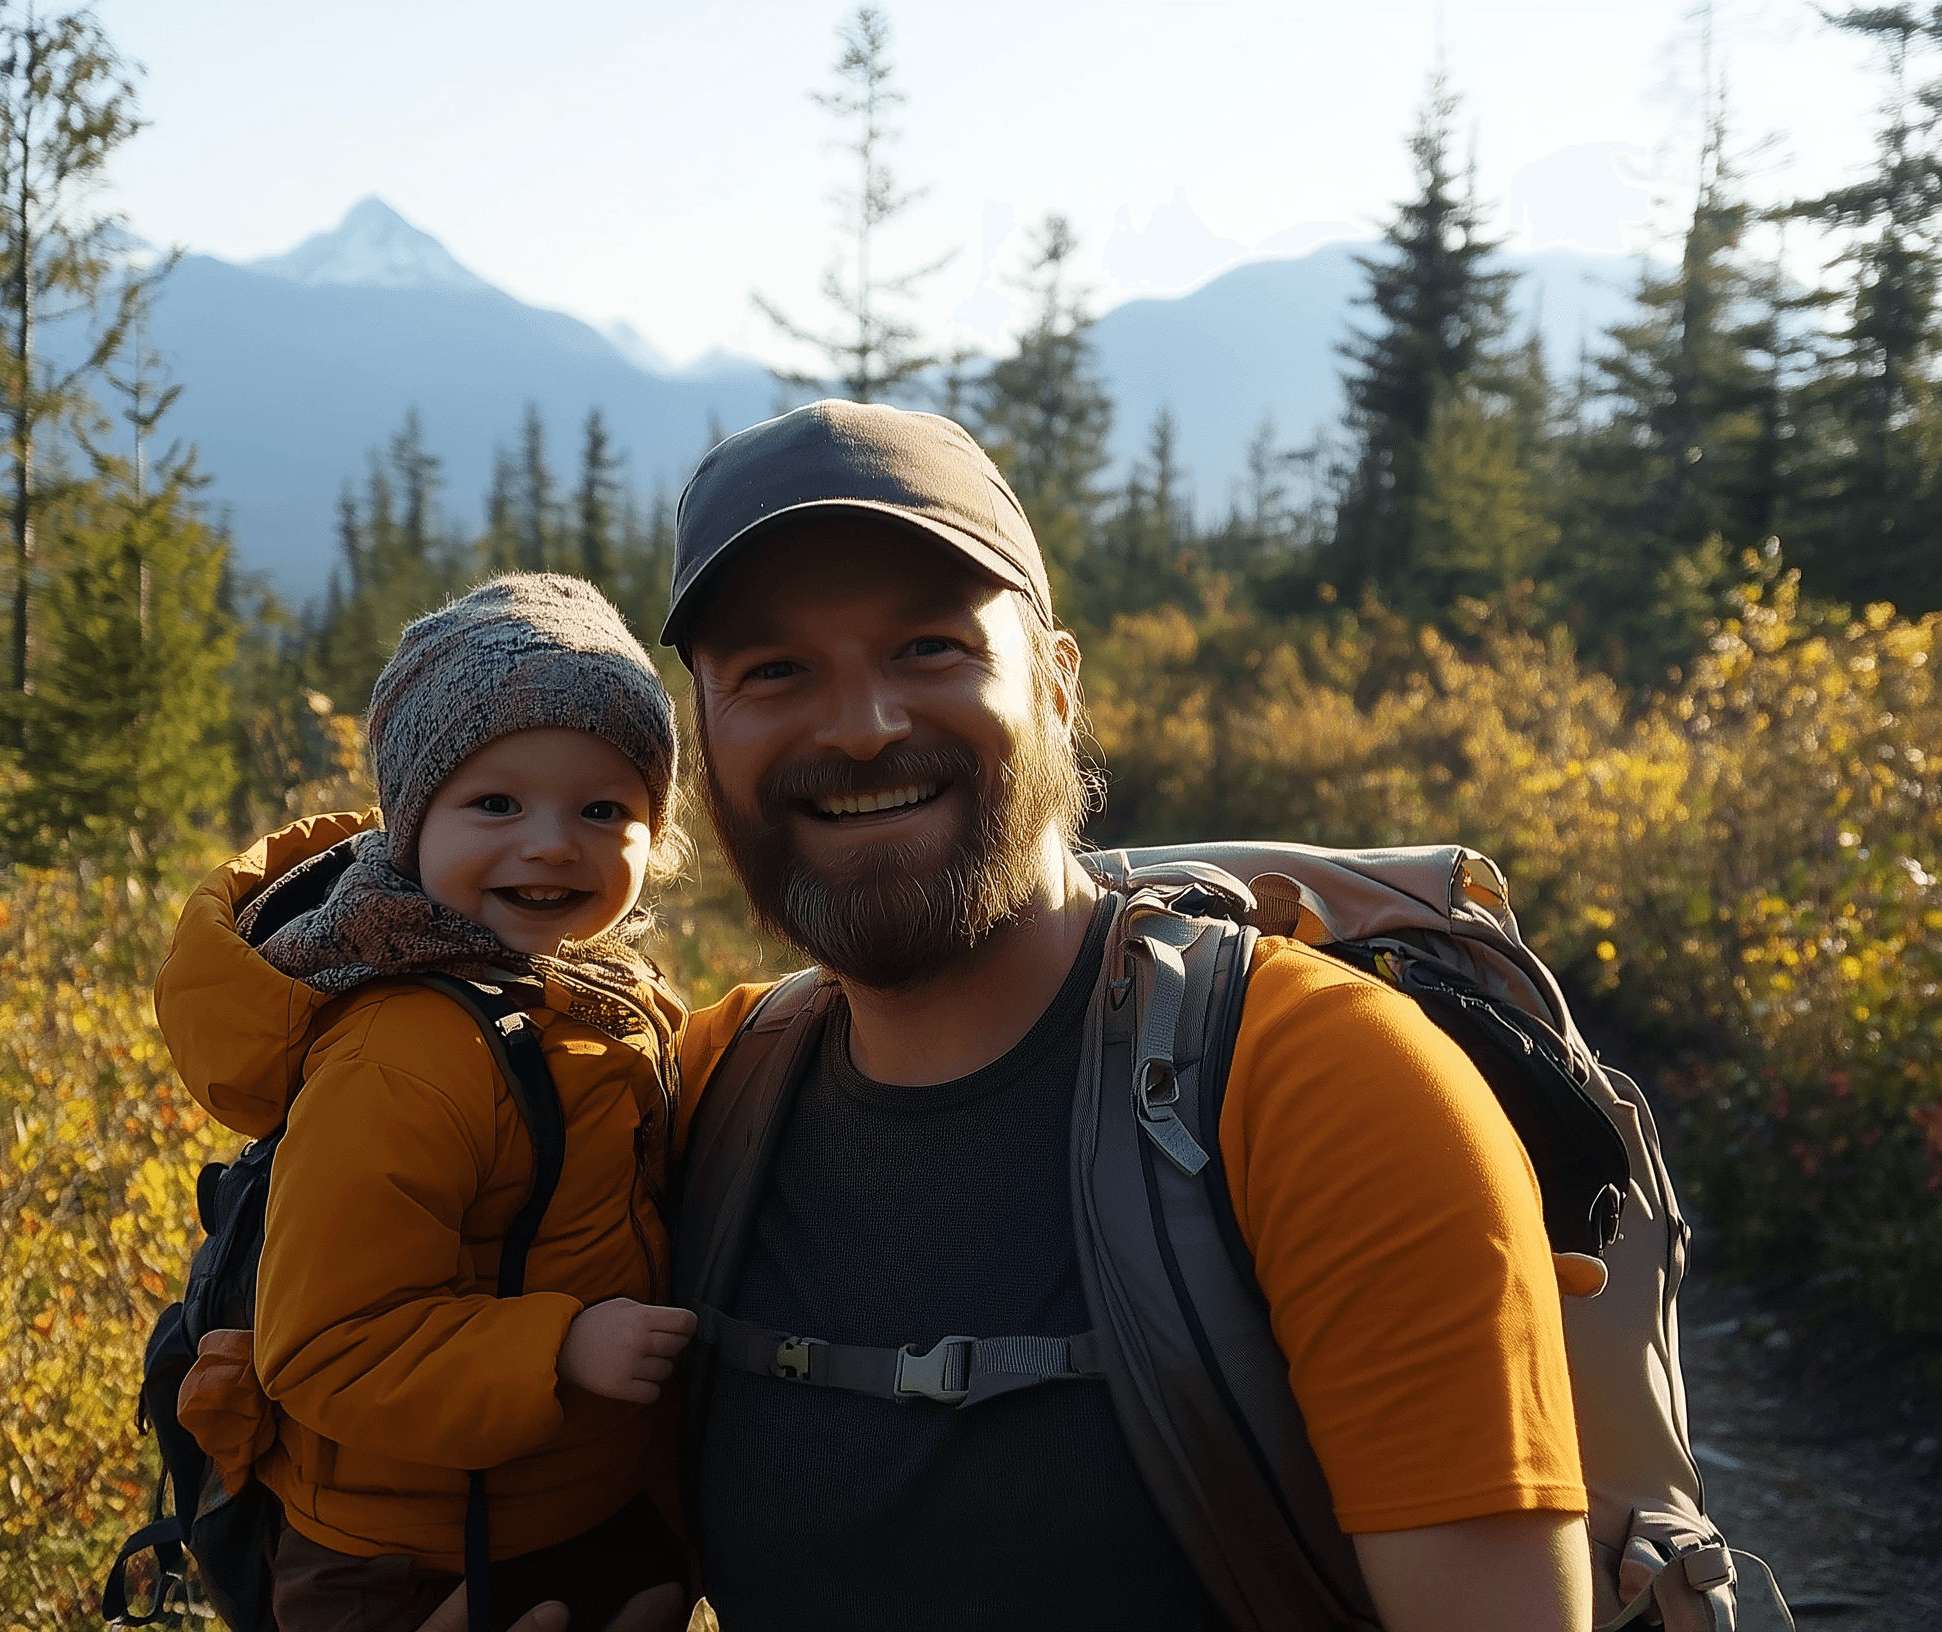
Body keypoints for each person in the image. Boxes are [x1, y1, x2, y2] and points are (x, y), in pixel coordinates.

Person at [661, 401, 1594, 1631]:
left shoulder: (1324, 1086)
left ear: (1055, 686)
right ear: (704, 739)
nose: (860, 726)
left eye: (930, 648)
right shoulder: (704, 1090)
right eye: (774, 672)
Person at [153, 574, 699, 1632]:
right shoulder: (403, 1057)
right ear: (411, 822)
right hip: (401, 1561)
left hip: (563, 1510)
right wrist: (564, 1348)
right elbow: (327, 1347)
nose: (550, 843)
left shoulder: (587, 989)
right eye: (494, 803)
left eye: (603, 808)